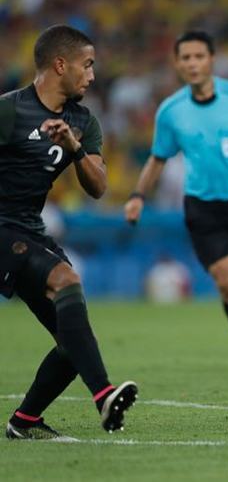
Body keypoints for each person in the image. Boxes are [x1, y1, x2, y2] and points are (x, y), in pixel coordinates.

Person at [1, 25, 137, 440]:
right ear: (61, 65)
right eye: (87, 65)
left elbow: (98, 188)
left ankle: (23, 422)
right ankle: (104, 396)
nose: (93, 75)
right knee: (66, 279)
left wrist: (75, 146)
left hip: (27, 228)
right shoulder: (10, 111)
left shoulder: (83, 120)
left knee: (73, 337)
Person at [124, 31, 228, 378]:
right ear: (177, 64)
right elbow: (158, 158)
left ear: (211, 59)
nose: (192, 64)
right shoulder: (171, 111)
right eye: (186, 58)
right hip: (202, 207)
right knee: (227, 281)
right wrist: (137, 196)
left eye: (199, 57)